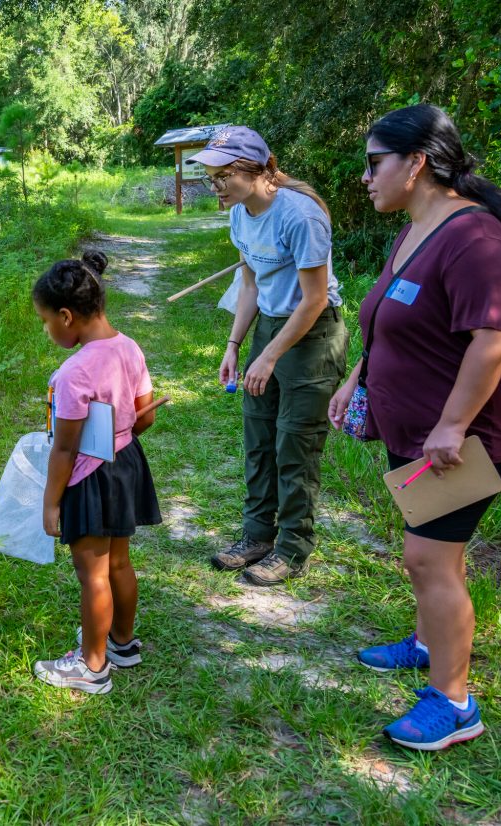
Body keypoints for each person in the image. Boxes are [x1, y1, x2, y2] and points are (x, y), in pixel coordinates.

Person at [328, 104, 501, 750]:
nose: (366, 178)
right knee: (434, 553)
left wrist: (451, 425)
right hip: (416, 429)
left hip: (467, 439)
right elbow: (389, 315)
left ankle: (456, 704)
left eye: (374, 163)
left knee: (427, 557)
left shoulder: (475, 237)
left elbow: (494, 338)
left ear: (415, 163)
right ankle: (426, 643)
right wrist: (356, 377)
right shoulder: (415, 228)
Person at [185, 126, 347, 586]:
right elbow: (252, 285)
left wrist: (271, 356)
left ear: (254, 171)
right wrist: (236, 346)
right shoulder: (240, 214)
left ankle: (293, 548)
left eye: (222, 177)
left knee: (293, 445)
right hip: (271, 331)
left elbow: (314, 299)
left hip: (313, 335)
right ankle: (258, 536)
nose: (215, 187)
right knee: (258, 439)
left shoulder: (301, 216)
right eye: (211, 178)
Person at [31, 250, 162, 694]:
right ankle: (122, 643)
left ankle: (92, 665)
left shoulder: (74, 372)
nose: (46, 329)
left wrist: (51, 503)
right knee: (120, 563)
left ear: (66, 316)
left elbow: (65, 447)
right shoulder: (128, 346)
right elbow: (146, 416)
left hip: (90, 477)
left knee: (93, 575)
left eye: (45, 320)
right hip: (125, 464)